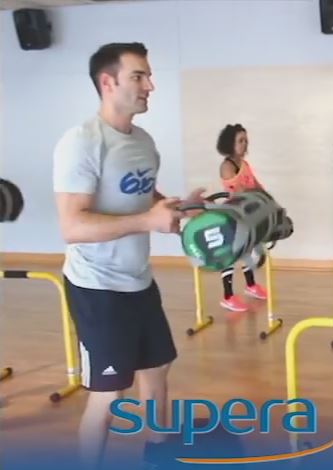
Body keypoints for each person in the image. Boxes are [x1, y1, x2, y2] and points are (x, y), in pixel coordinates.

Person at [52, 42, 205, 470]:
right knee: (109, 397)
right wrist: (148, 221)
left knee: (157, 373)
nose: (150, 85)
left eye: (149, 76)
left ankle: (158, 457)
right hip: (97, 288)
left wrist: (180, 207)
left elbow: (145, 197)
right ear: (108, 82)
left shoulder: (143, 142)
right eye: (139, 76)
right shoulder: (82, 142)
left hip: (138, 280)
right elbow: (72, 226)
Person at [216, 123, 268, 312]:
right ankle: (228, 296)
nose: (245, 144)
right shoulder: (227, 166)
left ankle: (251, 285)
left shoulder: (245, 165)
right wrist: (255, 194)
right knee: (230, 255)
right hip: (232, 216)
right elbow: (240, 191)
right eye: (240, 141)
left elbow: (256, 185)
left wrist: (266, 197)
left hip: (246, 214)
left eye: (246, 140)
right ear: (230, 143)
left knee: (247, 250)